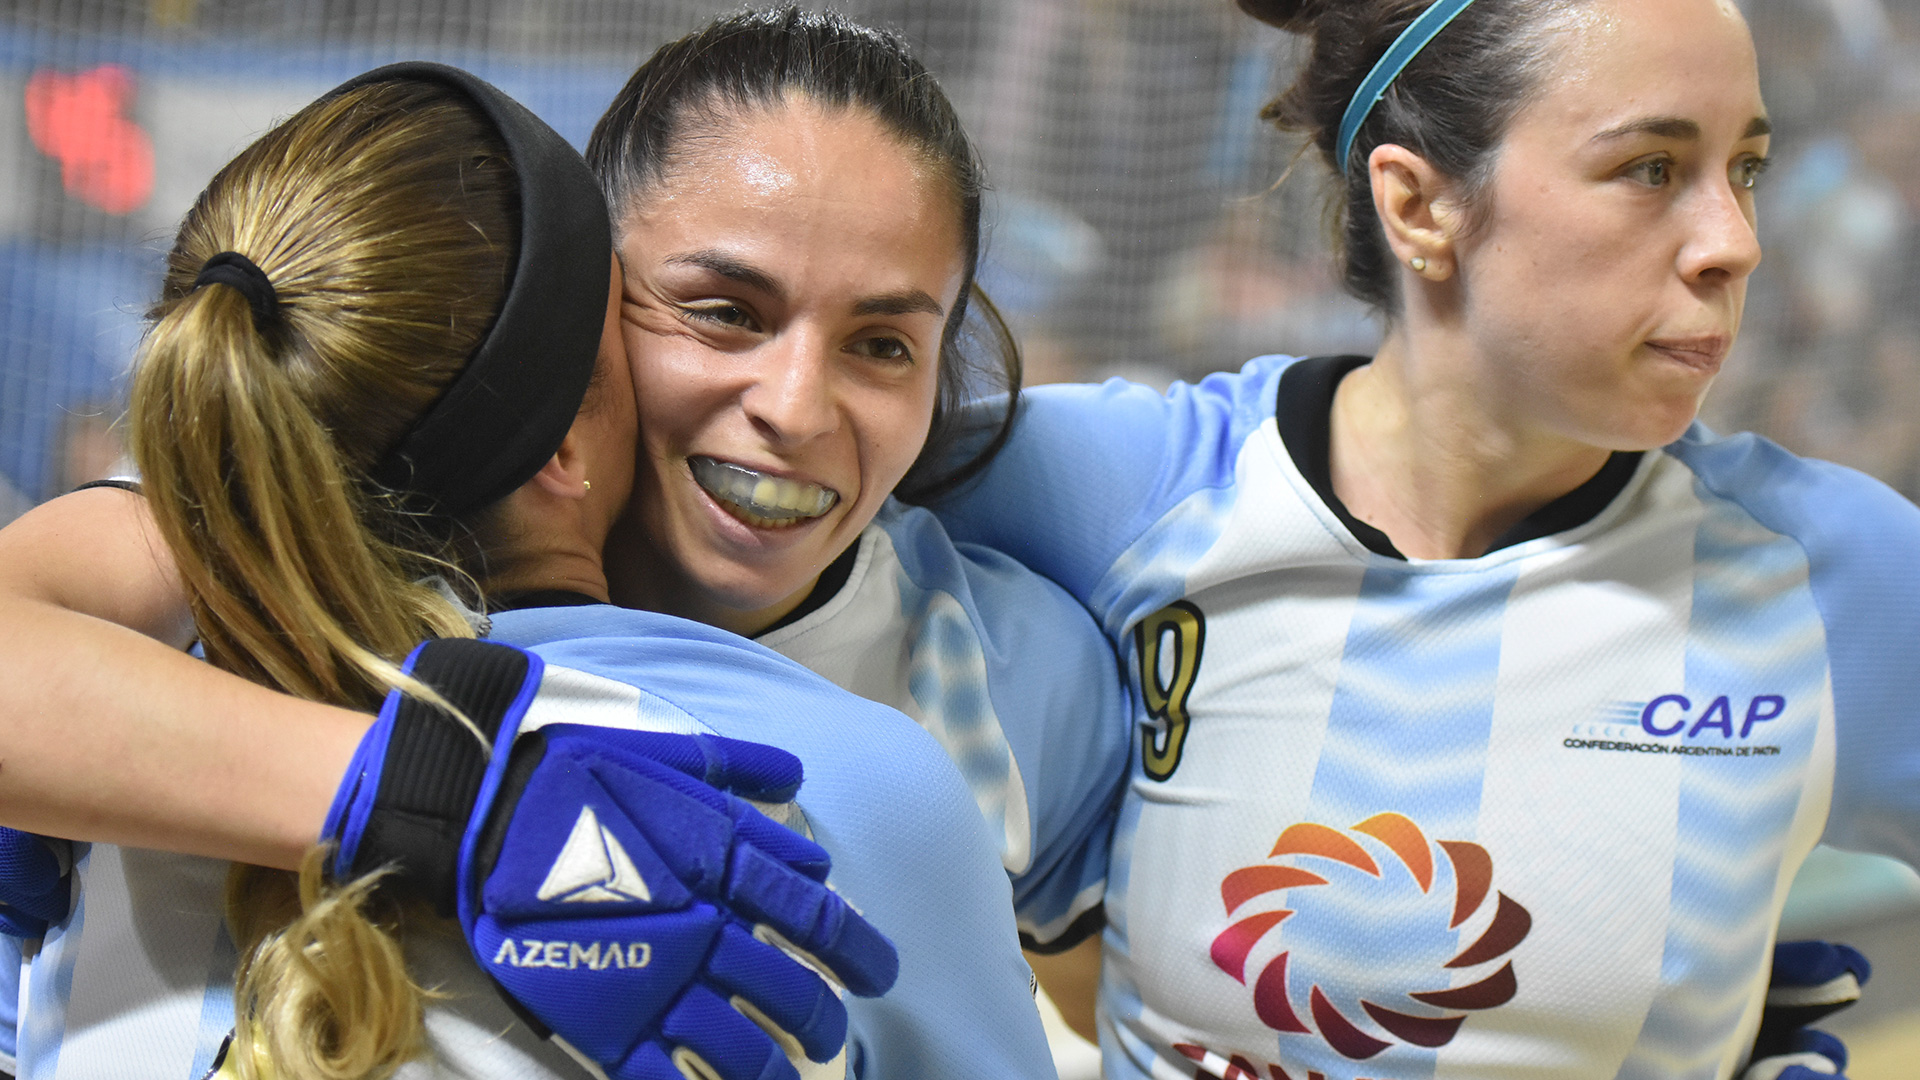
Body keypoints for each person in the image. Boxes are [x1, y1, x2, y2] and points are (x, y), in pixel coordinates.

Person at [0, 8, 1131, 1077]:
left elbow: (1114, 992)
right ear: (597, 298)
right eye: (723, 312)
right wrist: (452, 796)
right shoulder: (228, 559)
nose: (793, 408)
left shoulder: (1006, 666)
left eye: (884, 343)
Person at [923, 0, 1919, 1078]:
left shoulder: (1828, 577)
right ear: (1418, 205)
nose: (1736, 243)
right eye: (1650, 169)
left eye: (1747, 170)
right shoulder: (1108, 492)